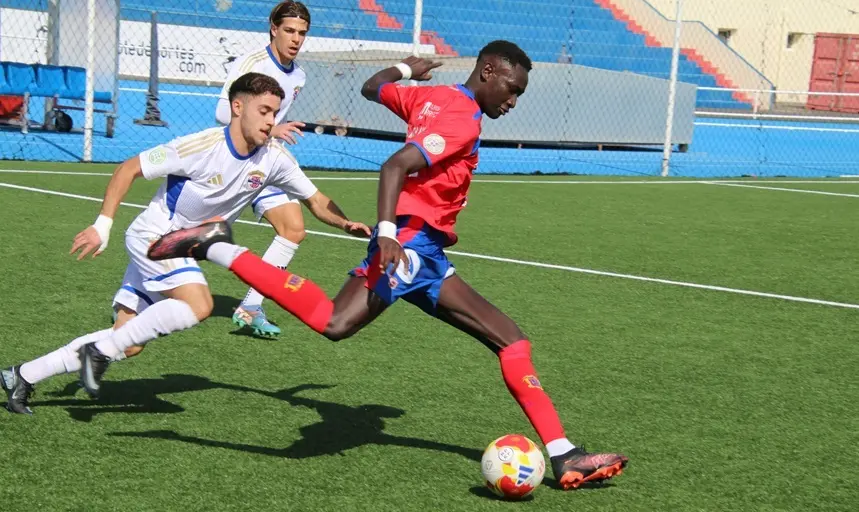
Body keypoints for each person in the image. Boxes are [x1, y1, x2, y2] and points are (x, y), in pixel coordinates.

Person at [146, 41, 629, 490]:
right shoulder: (460, 118)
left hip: (430, 257)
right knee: (334, 323)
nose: (514, 101)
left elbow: (372, 87)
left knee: (511, 339)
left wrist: (406, 71)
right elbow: (394, 166)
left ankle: (564, 454)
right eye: (512, 89)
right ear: (489, 72)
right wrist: (386, 234)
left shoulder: (433, 97)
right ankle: (217, 246)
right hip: (410, 247)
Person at [0, 72, 370, 414]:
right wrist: (102, 225)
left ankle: (22, 375)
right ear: (237, 108)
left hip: (181, 246)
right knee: (199, 304)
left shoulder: (274, 159)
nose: (272, 120)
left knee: (127, 342)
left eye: (275, 111)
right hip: (155, 238)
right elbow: (129, 167)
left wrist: (346, 223)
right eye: (264, 110)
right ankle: (98, 352)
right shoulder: (199, 146)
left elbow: (317, 201)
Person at [215, 1, 313, 337]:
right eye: (289, 30)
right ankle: (136, 296)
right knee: (200, 237)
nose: (296, 38)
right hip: (235, 161)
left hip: (265, 161)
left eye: (301, 32)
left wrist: (272, 135)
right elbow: (222, 113)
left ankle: (251, 307)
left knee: (293, 229)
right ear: (273, 28)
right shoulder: (252, 64)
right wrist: (272, 130)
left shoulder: (298, 75)